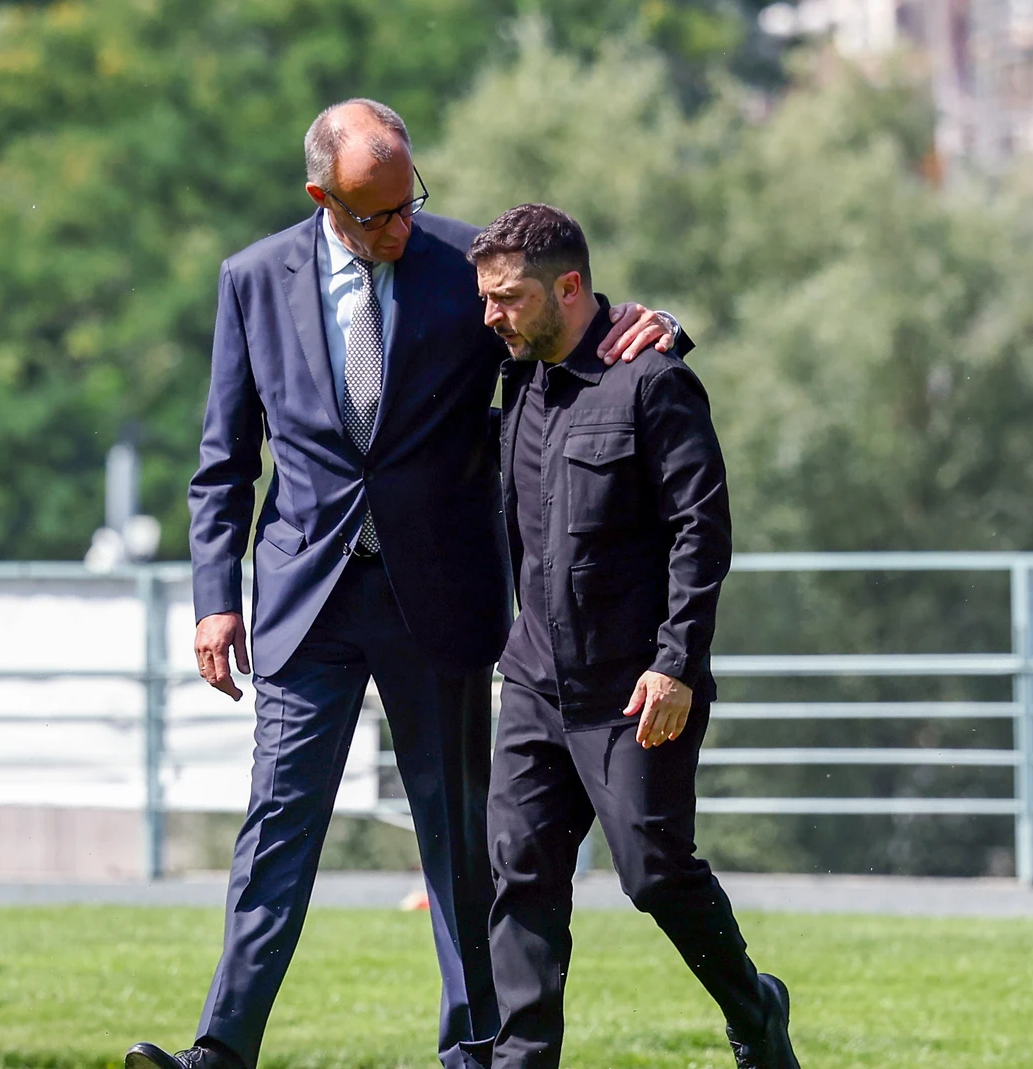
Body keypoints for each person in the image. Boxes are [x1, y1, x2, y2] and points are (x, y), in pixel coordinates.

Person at [125, 100, 684, 1069]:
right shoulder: (252, 281)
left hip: (439, 598)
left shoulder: (461, 266)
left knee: (460, 842)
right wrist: (213, 595)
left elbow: (561, 320)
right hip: (306, 604)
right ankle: (220, 1050)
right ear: (321, 198)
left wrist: (660, 324)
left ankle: (471, 1047)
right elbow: (223, 461)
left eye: (404, 204)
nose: (397, 228)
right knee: (275, 831)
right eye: (374, 214)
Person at [470, 203, 799, 1069]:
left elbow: (702, 526)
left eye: (506, 298)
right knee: (521, 877)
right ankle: (520, 1060)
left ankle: (755, 1007)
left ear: (569, 287)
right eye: (487, 298)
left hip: (635, 690)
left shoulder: (651, 381)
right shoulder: (518, 373)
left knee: (654, 872)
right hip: (537, 683)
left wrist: (677, 662)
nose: (490, 315)